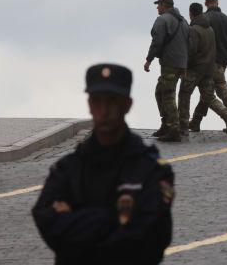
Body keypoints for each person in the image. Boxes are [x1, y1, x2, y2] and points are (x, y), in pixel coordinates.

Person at [32, 64, 175, 264]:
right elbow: (46, 219)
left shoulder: (151, 170)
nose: (104, 111)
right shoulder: (69, 167)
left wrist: (78, 222)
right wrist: (113, 219)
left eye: (112, 102)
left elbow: (149, 238)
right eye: (97, 102)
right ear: (89, 105)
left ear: (127, 105)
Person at [177, 3, 227, 135]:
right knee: (209, 98)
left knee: (184, 94)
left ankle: (183, 125)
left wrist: (184, 66)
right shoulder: (210, 29)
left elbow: (191, 51)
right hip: (209, 69)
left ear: (191, 13)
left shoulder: (194, 29)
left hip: (195, 70)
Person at [190, 0, 227, 132]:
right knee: (209, 91)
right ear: (218, 2)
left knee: (216, 92)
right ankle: (196, 120)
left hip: (207, 63)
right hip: (223, 61)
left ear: (205, 3)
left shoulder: (203, 19)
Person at [144, 0, 188, 143]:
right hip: (181, 63)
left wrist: (149, 60)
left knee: (167, 94)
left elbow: (157, 41)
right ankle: (166, 124)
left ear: (164, 5)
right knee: (160, 91)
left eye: (159, 5)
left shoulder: (162, 20)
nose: (157, 7)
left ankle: (174, 129)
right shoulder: (183, 21)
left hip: (169, 62)